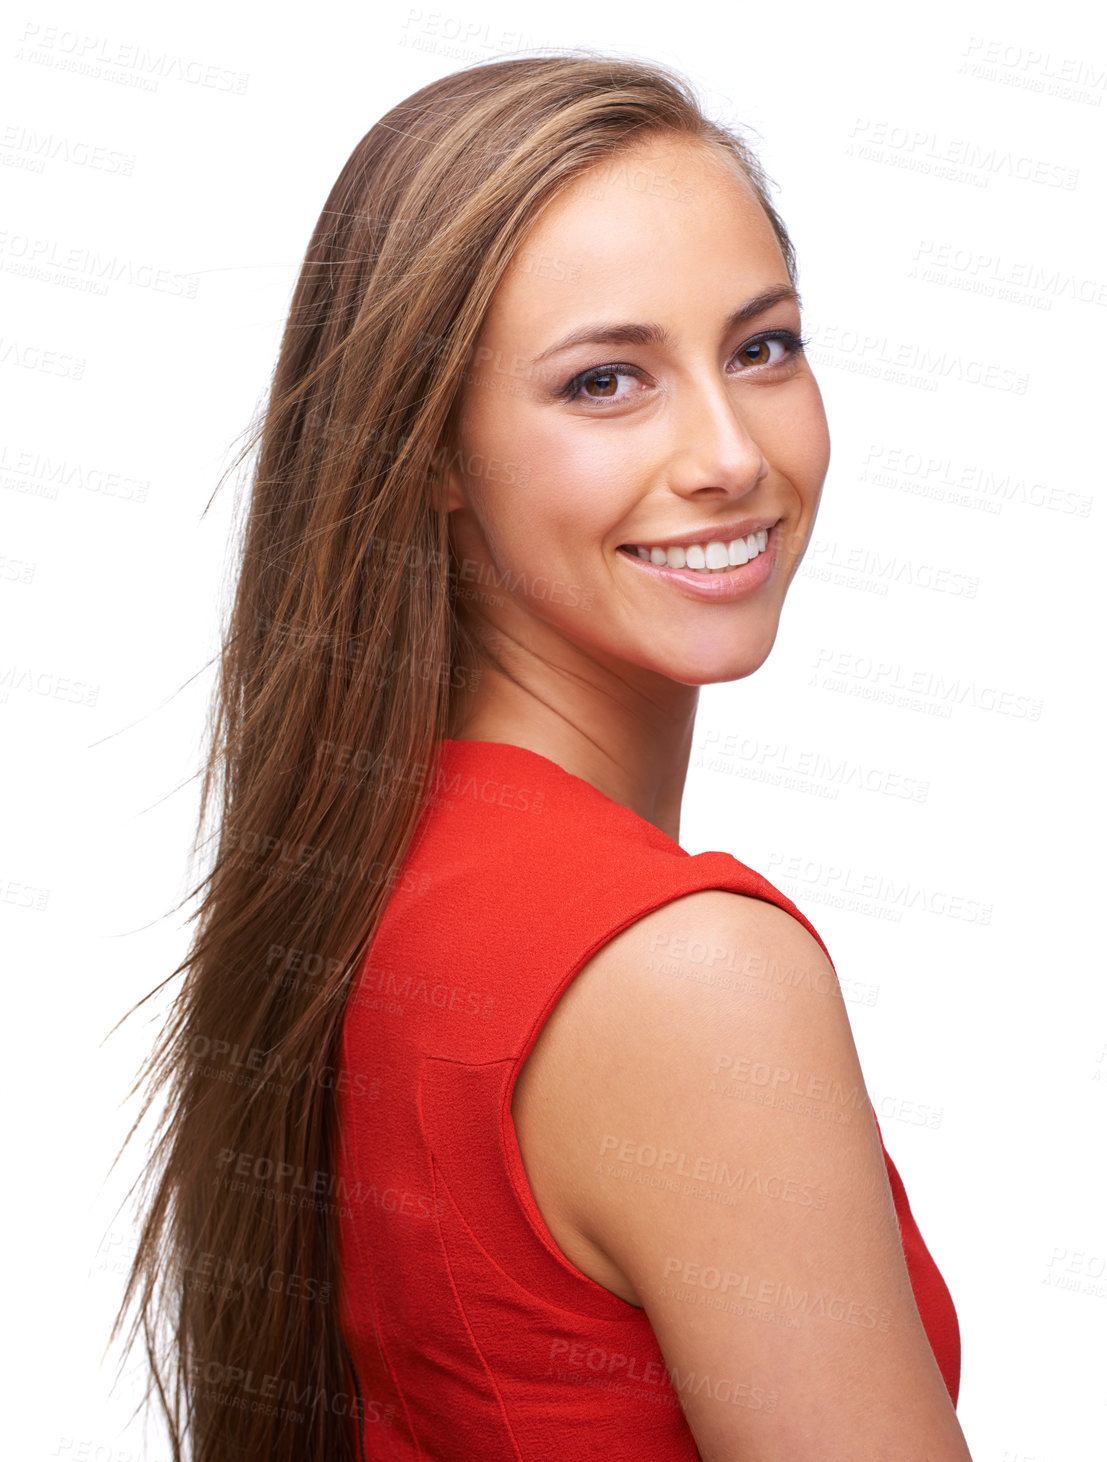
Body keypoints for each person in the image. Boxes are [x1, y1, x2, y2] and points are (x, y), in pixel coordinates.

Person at [115, 51, 971, 1462]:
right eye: (606, 380)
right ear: (431, 448)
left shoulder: (368, 877)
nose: (727, 453)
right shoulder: (687, 975)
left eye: (763, 346)